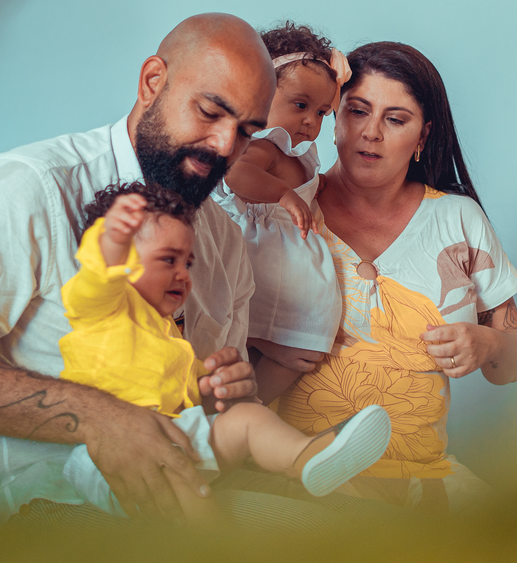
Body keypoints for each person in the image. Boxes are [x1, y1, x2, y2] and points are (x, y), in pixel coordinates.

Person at [0, 14, 275, 524]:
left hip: (187, 495)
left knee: (348, 541)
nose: (226, 145)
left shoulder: (226, 240)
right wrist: (100, 419)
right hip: (39, 511)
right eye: (210, 112)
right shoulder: (28, 185)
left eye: (247, 132)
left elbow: (205, 404)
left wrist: (229, 392)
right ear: (151, 82)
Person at [274, 41, 517, 514]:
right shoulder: (282, 208)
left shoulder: (458, 220)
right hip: (296, 493)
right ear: (334, 116)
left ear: (422, 135)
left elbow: (516, 358)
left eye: (395, 120)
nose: (370, 133)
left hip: (420, 492)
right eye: (357, 111)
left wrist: (489, 344)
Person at [58, 181, 391, 518]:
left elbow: (184, 393)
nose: (182, 275)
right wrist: (112, 241)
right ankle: (207, 549)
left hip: (179, 438)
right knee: (193, 504)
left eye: (187, 264)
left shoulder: (167, 332)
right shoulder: (104, 309)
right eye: (168, 260)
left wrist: (212, 386)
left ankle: (306, 458)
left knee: (247, 419)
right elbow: (96, 279)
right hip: (114, 455)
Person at [214, 22, 350, 405]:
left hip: (285, 284)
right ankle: (236, 424)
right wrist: (285, 195)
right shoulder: (266, 144)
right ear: (260, 95)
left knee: (301, 356)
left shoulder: (296, 154)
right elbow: (237, 174)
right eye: (301, 105)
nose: (312, 121)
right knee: (259, 358)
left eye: (324, 112)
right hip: (257, 270)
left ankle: (246, 421)